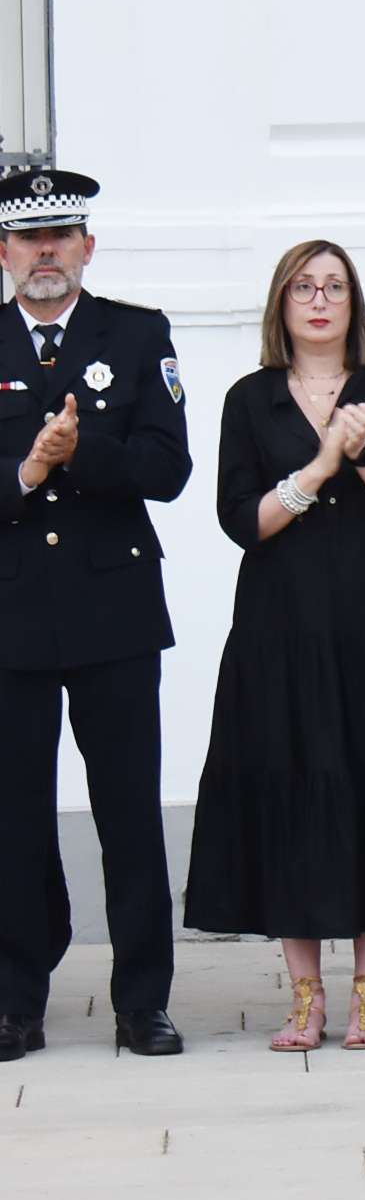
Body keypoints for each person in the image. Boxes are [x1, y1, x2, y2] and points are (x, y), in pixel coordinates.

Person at [184, 241, 365, 1051]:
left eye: (335, 286)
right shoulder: (251, 399)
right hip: (282, 624)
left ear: (355, 301)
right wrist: (320, 462)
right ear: (281, 303)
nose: (319, 300)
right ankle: (305, 996)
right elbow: (243, 521)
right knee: (290, 782)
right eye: (303, 287)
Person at [0, 167, 191, 1061]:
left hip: (113, 606)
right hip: (11, 612)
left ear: (87, 246)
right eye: (30, 239)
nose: (47, 253)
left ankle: (142, 1002)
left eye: (62, 236)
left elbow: (168, 467)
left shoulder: (137, 331)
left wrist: (84, 455)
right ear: (4, 252)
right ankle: (16, 999)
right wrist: (30, 472)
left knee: (127, 811)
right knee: (14, 815)